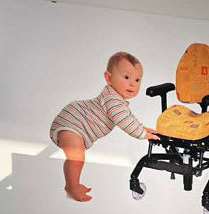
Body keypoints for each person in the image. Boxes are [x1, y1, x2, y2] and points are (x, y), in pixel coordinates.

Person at [50, 52, 159, 201]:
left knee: (77, 155)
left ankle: (74, 184)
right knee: (76, 157)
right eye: (126, 77)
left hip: (76, 120)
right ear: (108, 78)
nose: (132, 84)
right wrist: (140, 133)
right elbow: (123, 119)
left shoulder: (116, 99)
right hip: (74, 122)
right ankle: (71, 187)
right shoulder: (112, 99)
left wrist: (142, 127)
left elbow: (128, 116)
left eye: (137, 80)